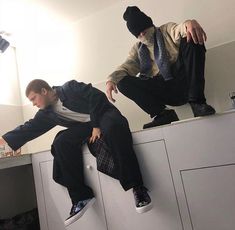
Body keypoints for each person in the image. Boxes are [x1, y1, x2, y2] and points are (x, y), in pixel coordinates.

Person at [0, 79, 152, 227]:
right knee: (61, 142)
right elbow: (29, 127)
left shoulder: (69, 88)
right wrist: (4, 140)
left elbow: (96, 96)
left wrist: (96, 125)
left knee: (113, 129)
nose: (33, 103)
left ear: (44, 91)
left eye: (34, 98)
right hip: (85, 127)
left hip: (103, 115)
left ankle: (138, 188)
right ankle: (81, 197)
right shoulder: (46, 113)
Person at [106, 6, 215, 129]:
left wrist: (190, 23)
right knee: (122, 81)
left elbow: (180, 29)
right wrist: (111, 80)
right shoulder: (138, 49)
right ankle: (163, 114)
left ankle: (197, 102)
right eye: (137, 32)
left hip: (183, 81)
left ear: (149, 23)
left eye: (143, 29)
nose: (142, 33)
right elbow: (126, 65)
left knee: (191, 39)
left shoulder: (166, 30)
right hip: (162, 89)